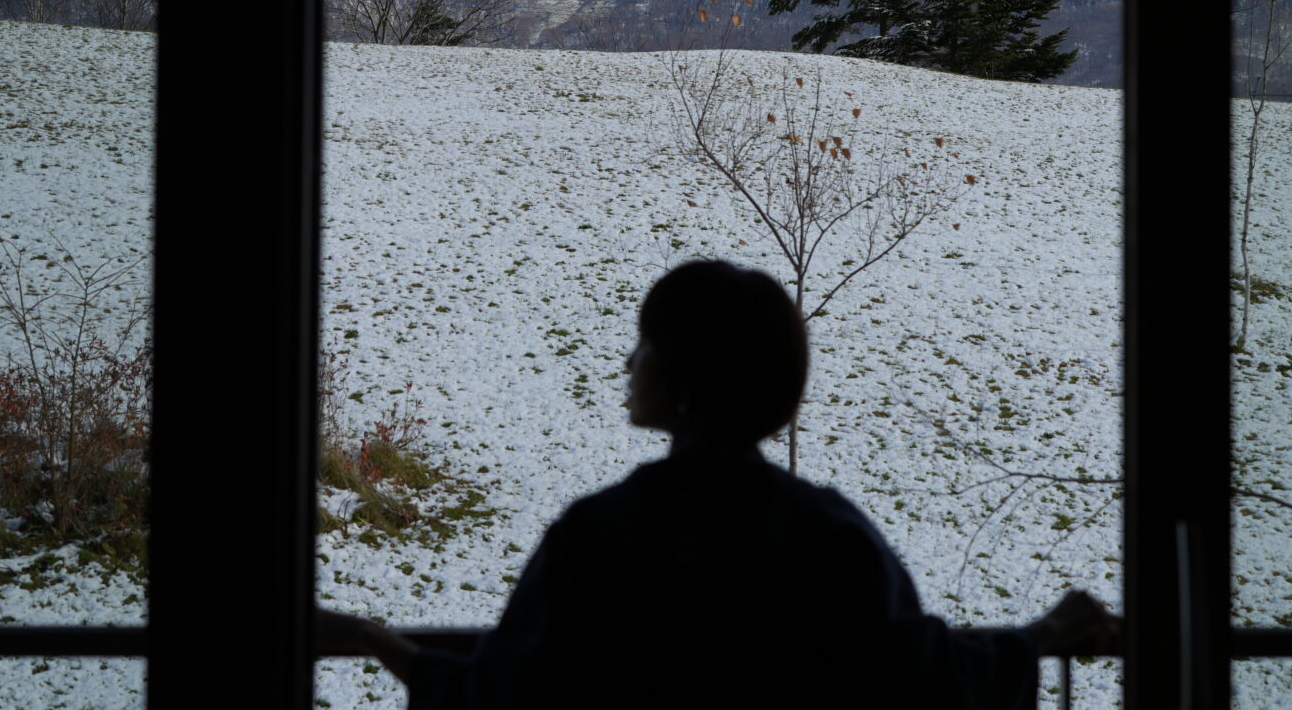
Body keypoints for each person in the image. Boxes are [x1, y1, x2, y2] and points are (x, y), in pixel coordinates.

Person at [319, 259, 1120, 707]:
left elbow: (502, 699)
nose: (629, 364)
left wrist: (367, 636)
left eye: (648, 345)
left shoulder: (601, 535)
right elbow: (921, 679)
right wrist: (1041, 638)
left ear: (687, 378)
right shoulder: (827, 535)